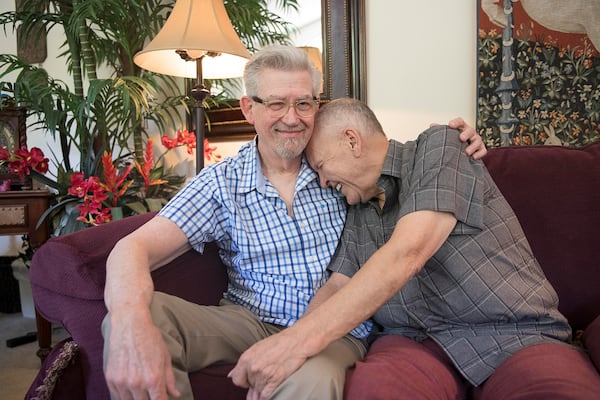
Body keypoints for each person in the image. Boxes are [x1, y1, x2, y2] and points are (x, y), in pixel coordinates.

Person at [102, 46, 486, 400]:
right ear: (248, 109)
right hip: (247, 319)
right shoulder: (221, 183)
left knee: (313, 377)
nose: (292, 118)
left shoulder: (338, 166)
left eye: (304, 103)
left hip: (334, 329)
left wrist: (457, 142)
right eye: (276, 103)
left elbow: (401, 162)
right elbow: (132, 248)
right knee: (140, 318)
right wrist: (128, 318)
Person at [229, 98, 600, 399]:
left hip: (515, 335)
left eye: (322, 167)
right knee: (376, 391)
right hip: (414, 345)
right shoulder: (356, 208)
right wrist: (292, 350)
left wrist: (293, 344)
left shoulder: (439, 147)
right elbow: (337, 285)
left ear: (352, 140)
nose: (324, 182)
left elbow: (409, 251)